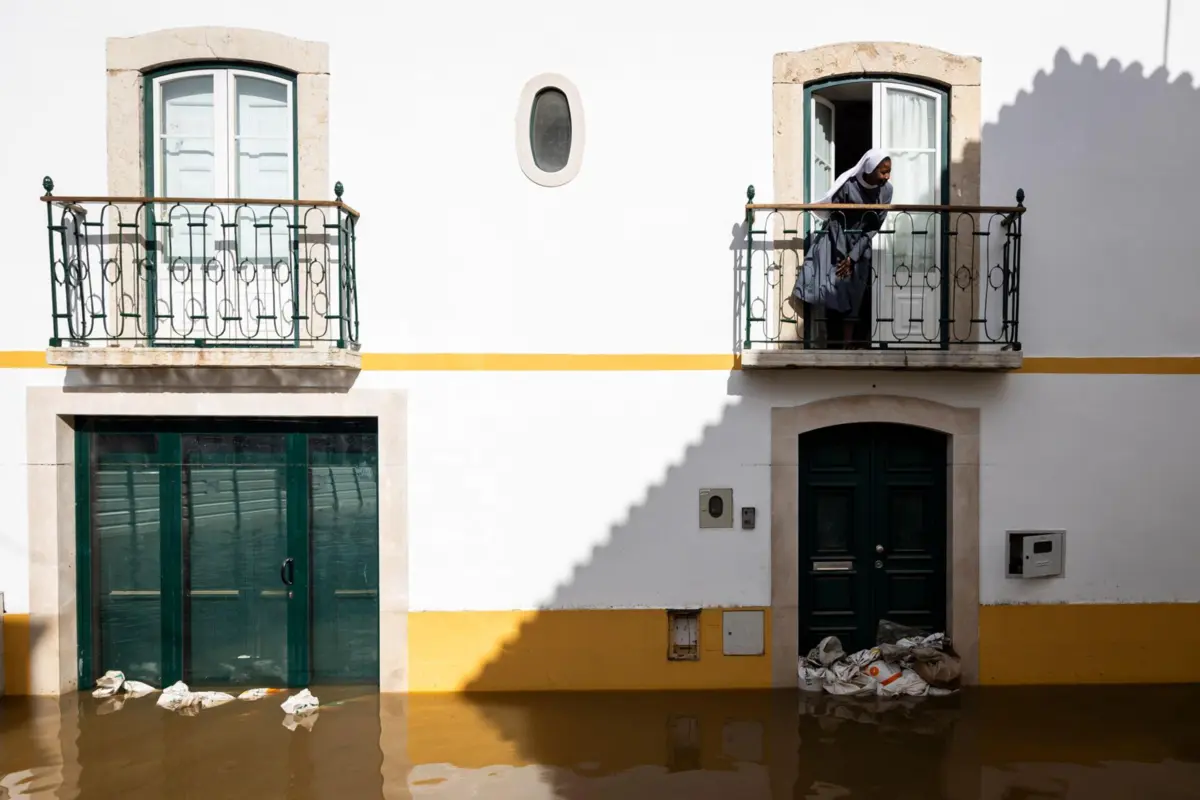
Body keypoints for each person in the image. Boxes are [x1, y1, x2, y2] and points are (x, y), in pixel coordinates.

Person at [790, 149, 892, 349]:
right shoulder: (848, 186)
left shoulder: (887, 191)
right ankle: (822, 339)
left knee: (855, 294)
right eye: (883, 172)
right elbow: (835, 217)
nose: (887, 176)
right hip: (836, 241)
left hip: (861, 247)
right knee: (828, 287)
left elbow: (873, 227)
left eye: (888, 171)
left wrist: (852, 257)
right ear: (870, 169)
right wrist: (842, 253)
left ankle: (847, 344)